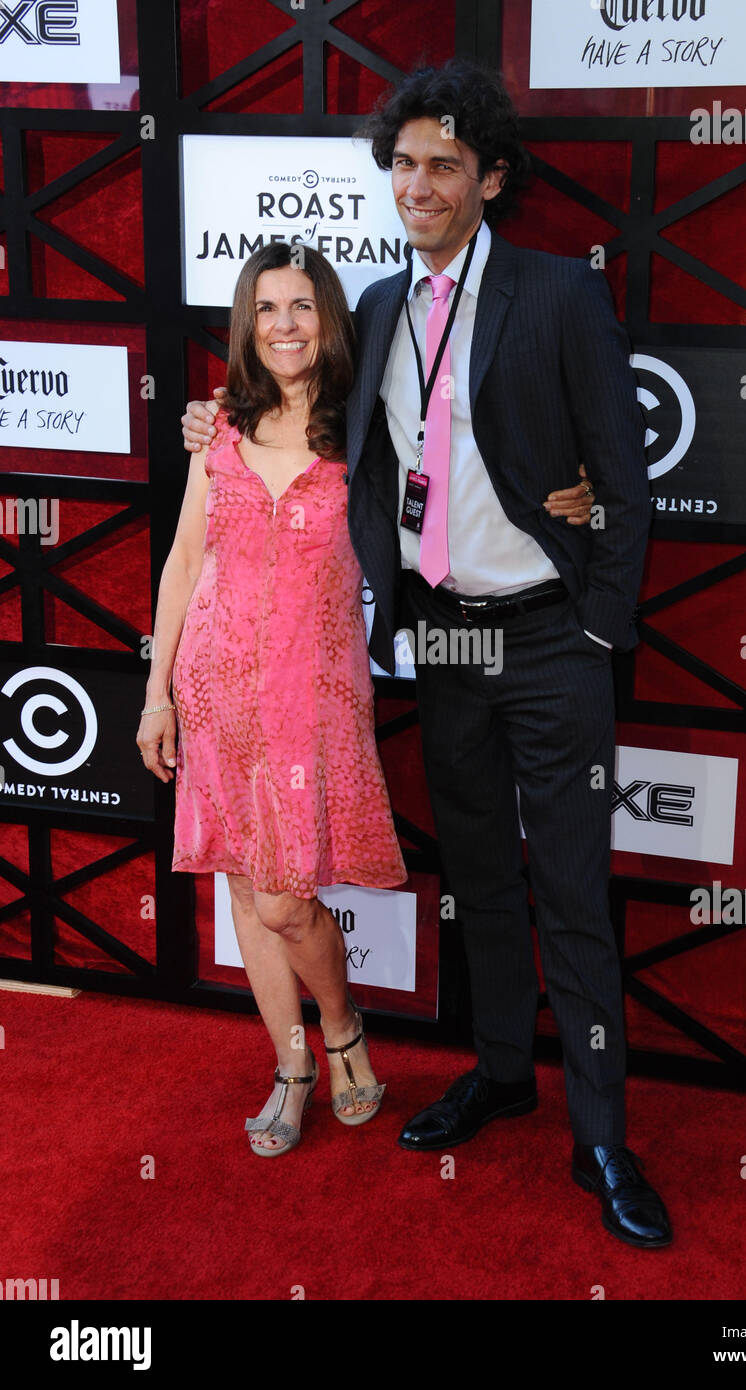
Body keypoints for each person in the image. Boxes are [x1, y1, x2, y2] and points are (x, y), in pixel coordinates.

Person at [182, 58, 669, 1248]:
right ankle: (500, 1072)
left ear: (490, 177)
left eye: (444, 164)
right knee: (482, 883)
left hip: (550, 637)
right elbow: (301, 420)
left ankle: (601, 1136)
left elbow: (624, 475)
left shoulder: (558, 293)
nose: (418, 185)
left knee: (570, 894)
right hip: (443, 644)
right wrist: (212, 420)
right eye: (402, 163)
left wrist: (599, 621)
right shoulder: (378, 308)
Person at [140, 242, 408, 1156]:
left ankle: (342, 1029)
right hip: (214, 689)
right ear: (245, 324)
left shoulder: (364, 427)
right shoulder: (219, 425)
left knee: (288, 902)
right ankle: (293, 1066)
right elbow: (185, 559)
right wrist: (157, 694)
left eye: (301, 306)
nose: (283, 325)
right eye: (265, 308)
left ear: (328, 318)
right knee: (246, 889)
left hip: (312, 694)